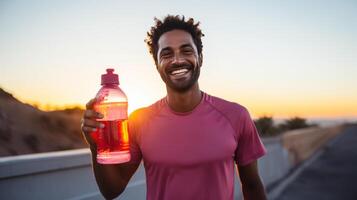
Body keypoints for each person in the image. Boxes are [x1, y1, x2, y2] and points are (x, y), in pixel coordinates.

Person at [81, 15, 267, 200]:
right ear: (157, 65)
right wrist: (96, 145)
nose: (177, 60)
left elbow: (252, 185)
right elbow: (112, 190)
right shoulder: (140, 121)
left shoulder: (236, 116)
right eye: (167, 54)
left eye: (186, 51)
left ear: (200, 58)